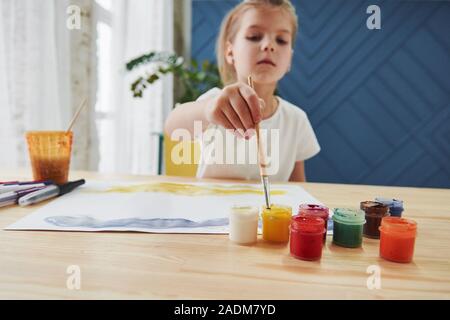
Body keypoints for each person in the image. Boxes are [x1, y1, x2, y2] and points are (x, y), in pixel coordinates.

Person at [164, 0, 320, 182]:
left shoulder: (296, 120)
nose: (269, 45)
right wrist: (207, 111)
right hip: (212, 209)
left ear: (289, 60)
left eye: (281, 40)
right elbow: (172, 126)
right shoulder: (216, 104)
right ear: (230, 52)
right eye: (254, 36)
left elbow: (298, 190)